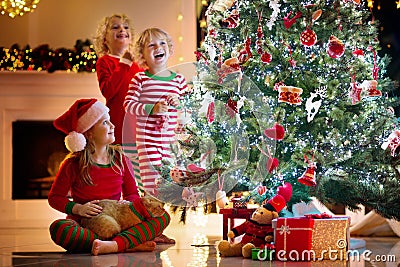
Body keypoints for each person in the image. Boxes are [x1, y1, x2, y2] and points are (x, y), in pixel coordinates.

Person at [48, 98, 171, 255]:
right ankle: (128, 242)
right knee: (60, 229)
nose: (112, 126)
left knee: (162, 217)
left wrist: (136, 214)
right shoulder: (72, 164)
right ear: (89, 133)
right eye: (105, 122)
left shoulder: (121, 159)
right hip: (87, 224)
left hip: (119, 219)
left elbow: (132, 194)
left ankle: (113, 245)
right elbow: (55, 198)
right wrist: (78, 208)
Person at [124, 28, 188, 195]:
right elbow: (128, 105)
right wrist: (151, 109)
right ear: (142, 54)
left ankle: (162, 213)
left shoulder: (179, 80)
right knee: (152, 178)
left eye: (162, 43)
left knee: (169, 178)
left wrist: (179, 103)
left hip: (171, 141)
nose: (157, 47)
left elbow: (189, 107)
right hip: (147, 140)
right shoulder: (140, 79)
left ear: (169, 48)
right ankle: (149, 210)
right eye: (151, 45)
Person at [93, 13, 144, 193]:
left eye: (125, 27)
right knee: (122, 173)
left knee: (141, 174)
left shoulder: (139, 64)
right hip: (119, 127)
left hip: (139, 127)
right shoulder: (104, 62)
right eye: (115, 27)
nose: (122, 29)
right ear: (105, 38)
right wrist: (123, 64)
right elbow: (108, 91)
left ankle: (141, 208)